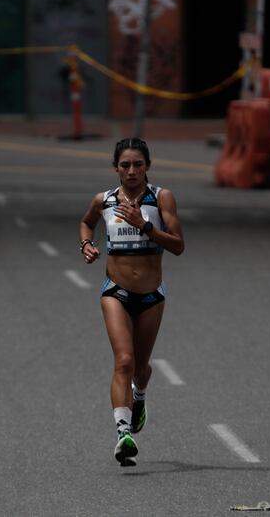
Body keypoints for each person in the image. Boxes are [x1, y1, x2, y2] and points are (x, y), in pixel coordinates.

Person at [79, 137, 185, 467]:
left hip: (152, 295)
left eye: (138, 164)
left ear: (148, 167)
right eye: (125, 165)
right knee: (123, 360)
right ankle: (123, 434)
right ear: (116, 168)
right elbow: (86, 224)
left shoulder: (161, 198)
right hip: (116, 292)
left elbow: (178, 245)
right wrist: (86, 246)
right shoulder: (104, 200)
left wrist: (145, 226)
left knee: (141, 367)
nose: (131, 170)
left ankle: (139, 397)